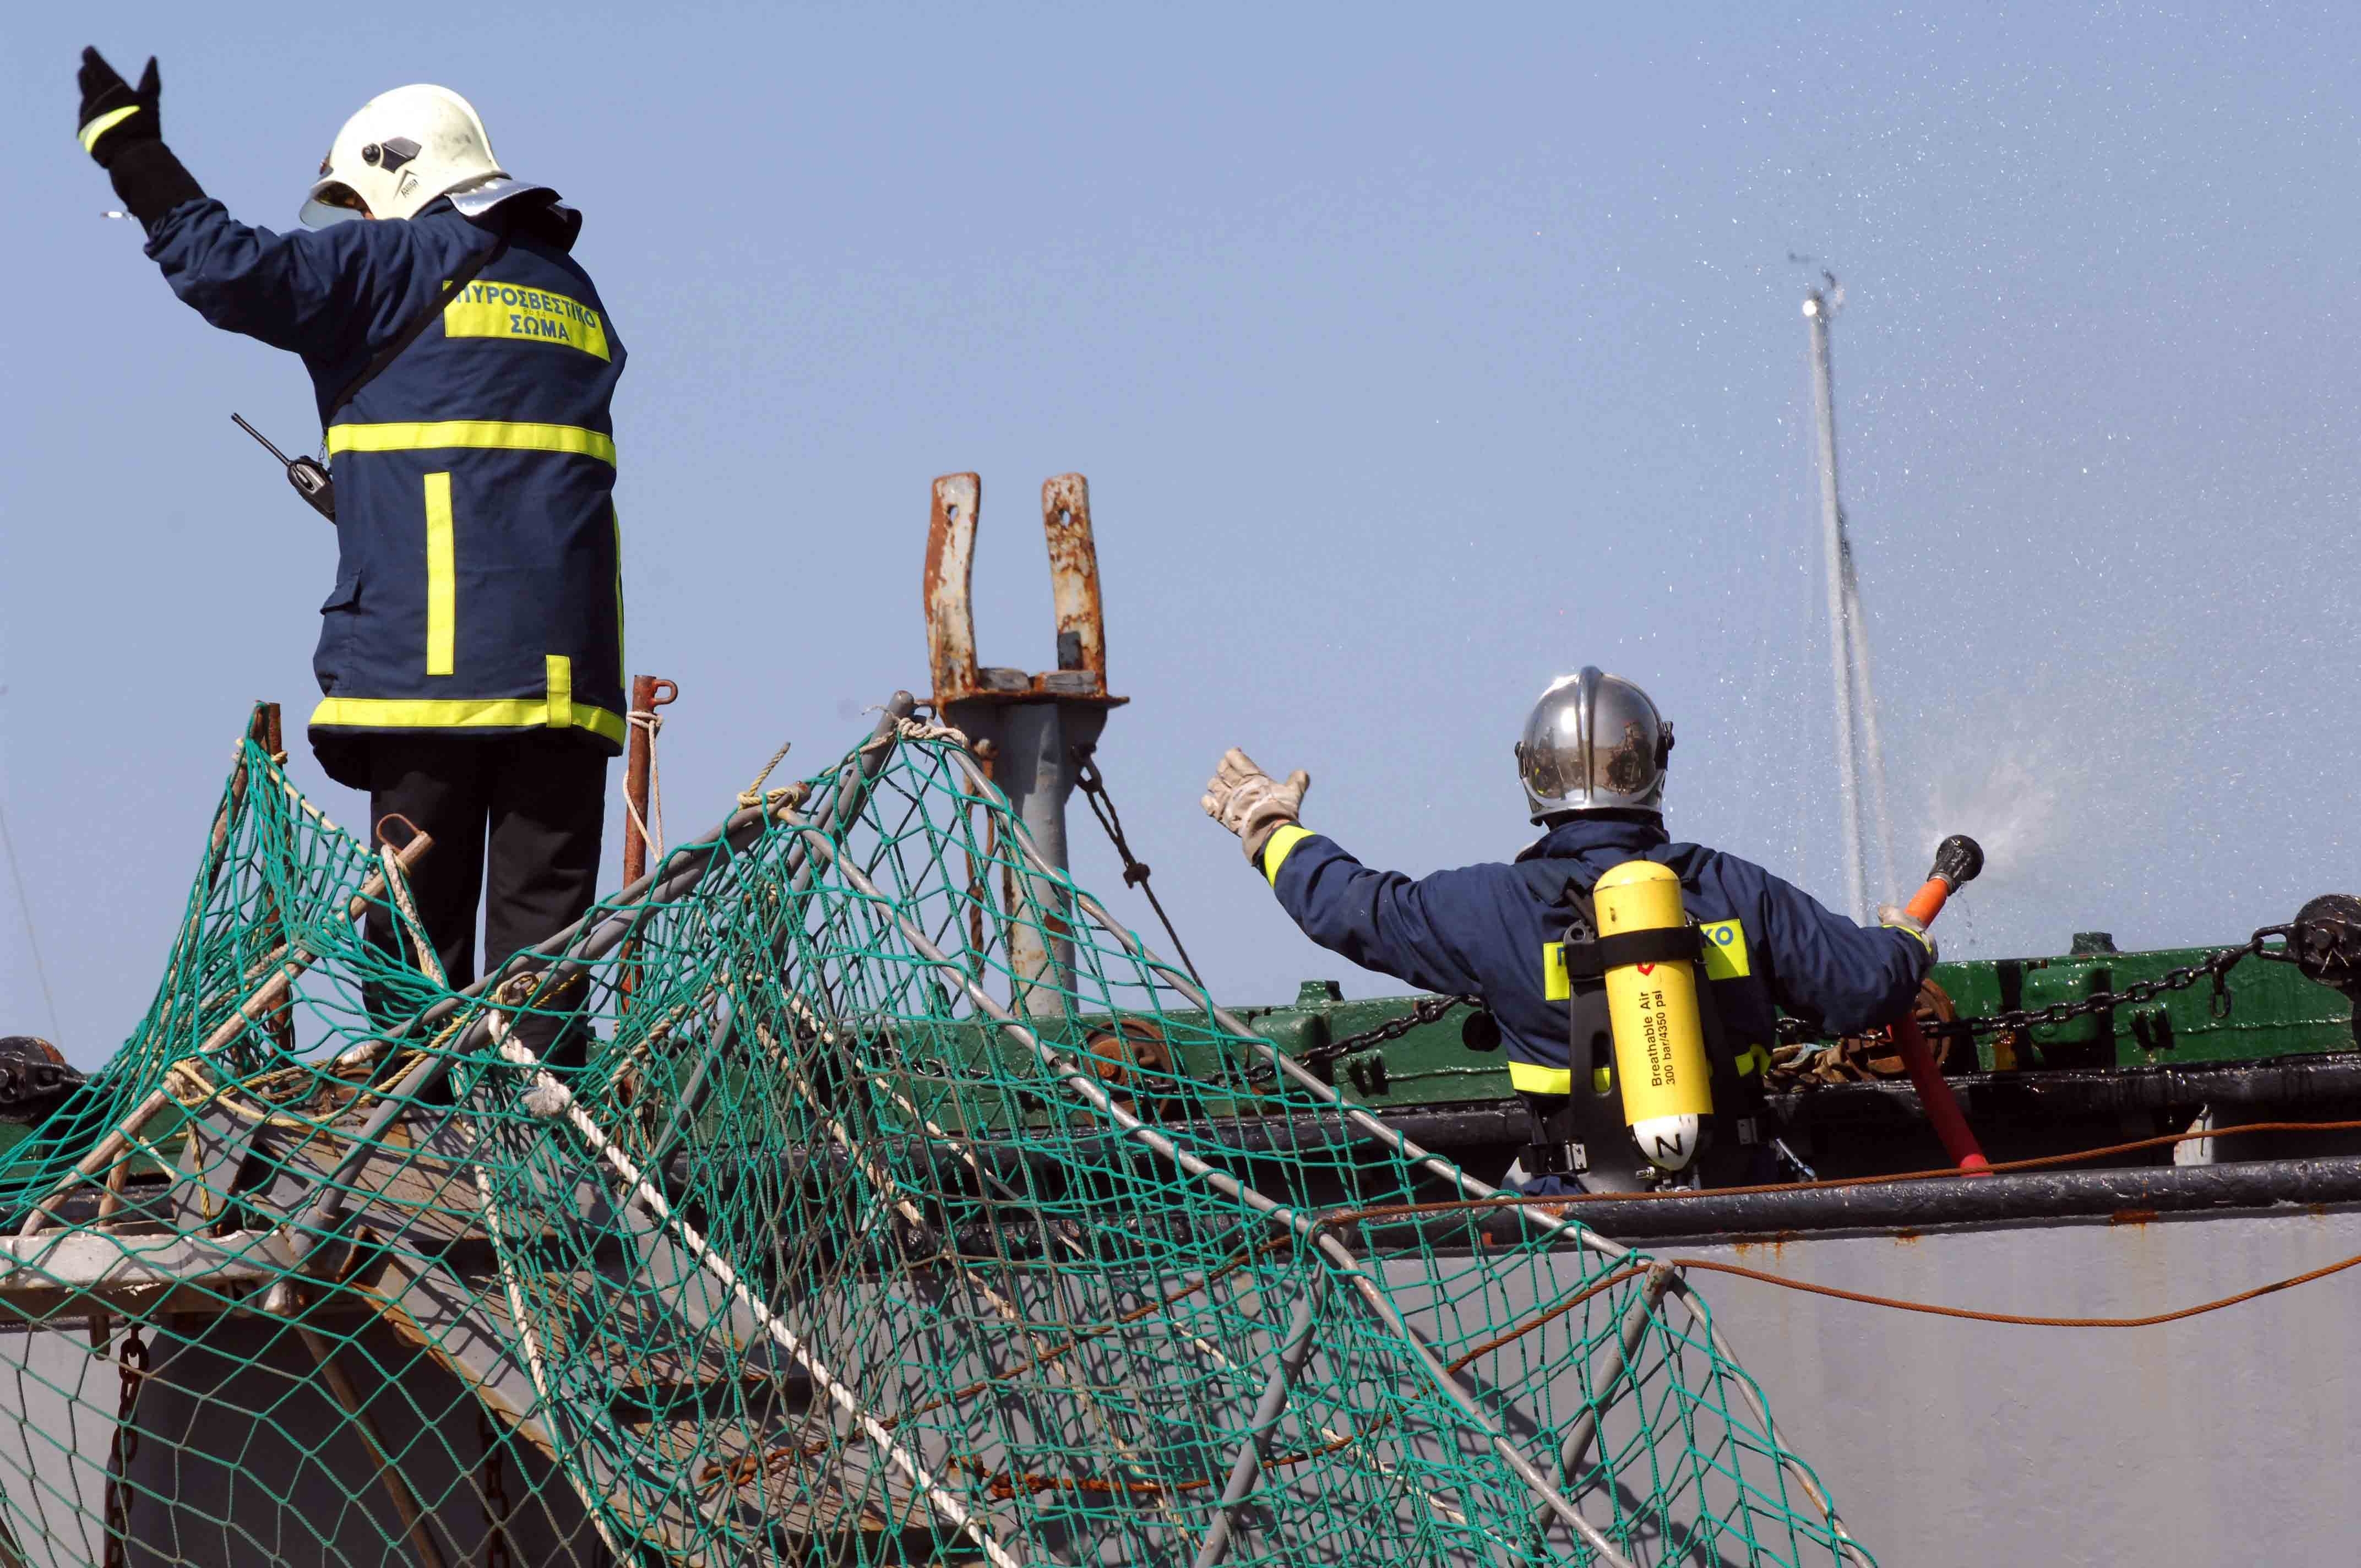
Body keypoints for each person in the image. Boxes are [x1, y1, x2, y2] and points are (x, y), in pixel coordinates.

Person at [76, 52, 627, 1020]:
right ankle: (544, 1154)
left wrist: (130, 149)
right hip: (568, 681)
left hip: (433, 672)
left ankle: (427, 1158)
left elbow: (225, 267)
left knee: (413, 955)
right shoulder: (571, 292)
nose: (359, 223)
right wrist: (371, 500)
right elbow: (497, 455)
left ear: (400, 176)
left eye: (361, 201)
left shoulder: (398, 261)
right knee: (546, 961)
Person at [1202, 666, 1934, 1193]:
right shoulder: (1734, 887)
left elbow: (1350, 909)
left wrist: (1271, 829)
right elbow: (1868, 987)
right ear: (1655, 764)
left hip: (1582, 1216)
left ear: (1535, 778)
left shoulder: (1490, 904)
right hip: (1739, 1188)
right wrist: (1909, 941)